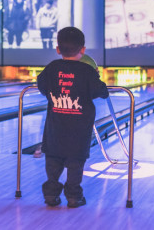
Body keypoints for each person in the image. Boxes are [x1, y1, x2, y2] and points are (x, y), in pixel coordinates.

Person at [37, 27, 109, 208]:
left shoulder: (52, 68)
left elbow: (42, 85)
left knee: (52, 162)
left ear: (58, 49)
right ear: (83, 50)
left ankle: (51, 196)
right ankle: (74, 197)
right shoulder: (87, 71)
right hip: (79, 132)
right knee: (75, 164)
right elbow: (101, 91)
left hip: (54, 130)